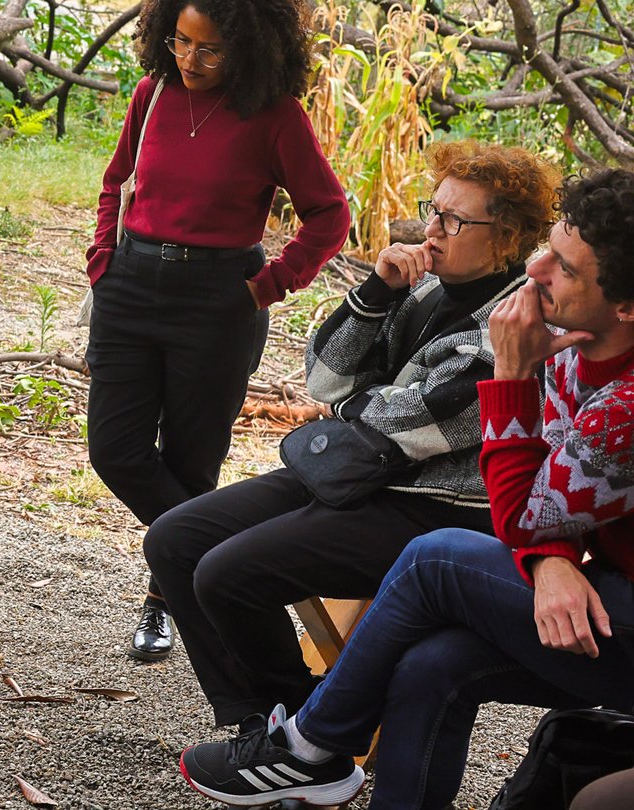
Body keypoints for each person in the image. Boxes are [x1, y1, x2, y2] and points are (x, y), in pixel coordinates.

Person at [178, 167, 634, 810]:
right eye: (547, 249)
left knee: (436, 557)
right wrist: (550, 559)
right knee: (432, 666)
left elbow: (526, 507)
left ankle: (310, 745)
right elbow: (329, 384)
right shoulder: (562, 340)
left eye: (562, 265)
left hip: (497, 539)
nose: (535, 271)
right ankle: (307, 752)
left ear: (626, 306)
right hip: (585, 580)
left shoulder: (615, 402)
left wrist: (508, 376)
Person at [143, 142, 559, 727]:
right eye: (432, 209)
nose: (431, 229)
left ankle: (311, 733)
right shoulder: (420, 289)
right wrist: (374, 293)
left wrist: (355, 410)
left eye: (454, 220)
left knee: (226, 573)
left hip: (434, 510)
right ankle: (268, 719)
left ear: (508, 240)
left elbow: (416, 426)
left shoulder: (515, 326)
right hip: (360, 476)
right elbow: (324, 378)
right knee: (173, 540)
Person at [84, 0, 351, 661]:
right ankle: (219, 554)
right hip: (132, 285)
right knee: (114, 449)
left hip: (219, 299)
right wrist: (102, 262)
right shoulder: (153, 94)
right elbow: (117, 181)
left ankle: (163, 599)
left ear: (248, 45)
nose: (190, 57)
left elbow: (328, 215)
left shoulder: (274, 116)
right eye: (179, 39)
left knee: (194, 458)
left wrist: (269, 285)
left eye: (208, 46)